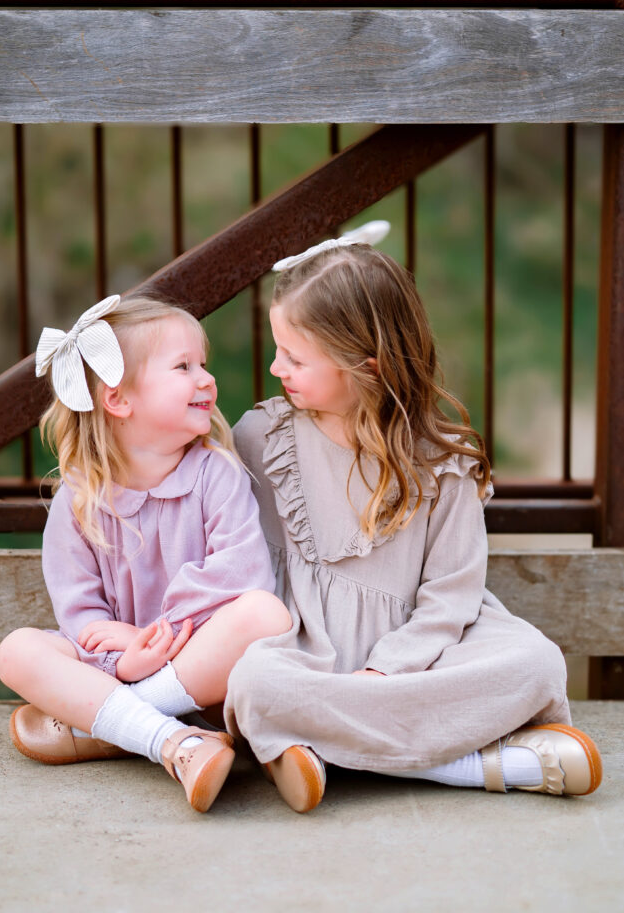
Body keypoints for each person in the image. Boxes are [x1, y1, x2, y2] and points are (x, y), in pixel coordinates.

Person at [224, 221, 603, 813]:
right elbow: (241, 564)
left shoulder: (442, 461)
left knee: (536, 664)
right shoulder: (263, 438)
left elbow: (452, 596)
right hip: (304, 653)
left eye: (294, 357)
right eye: (278, 351)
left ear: (367, 366)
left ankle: (322, 750)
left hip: (421, 656)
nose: (276, 368)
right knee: (254, 684)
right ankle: (476, 766)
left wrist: (384, 672)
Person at [0, 294, 291, 813]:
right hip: (118, 669)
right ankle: (171, 742)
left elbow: (242, 574)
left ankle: (121, 729)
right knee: (16, 651)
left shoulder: (215, 474)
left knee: (264, 615)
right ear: (118, 400)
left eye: (204, 364)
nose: (205, 379)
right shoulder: (79, 499)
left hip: (202, 674)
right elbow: (81, 615)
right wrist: (124, 658)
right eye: (183, 367)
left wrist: (157, 636)